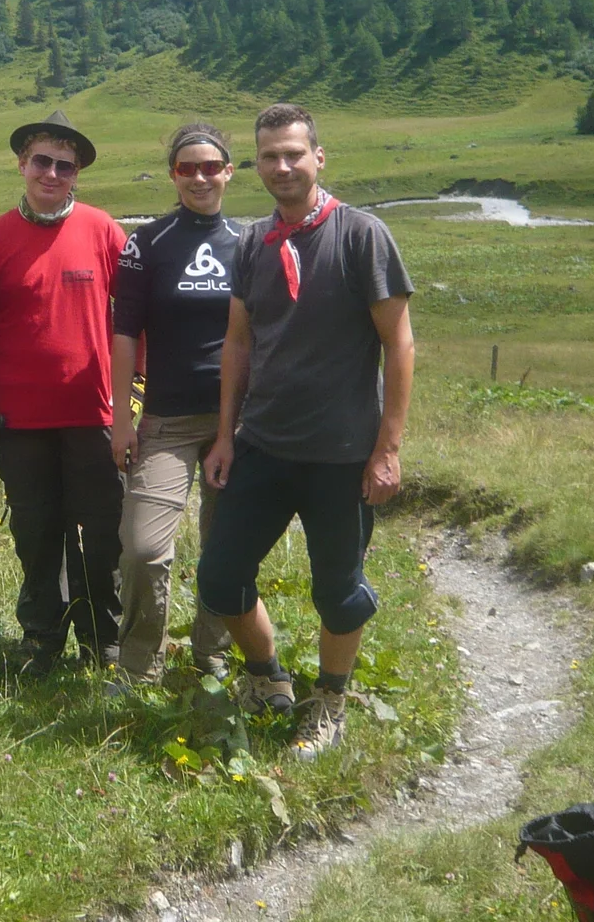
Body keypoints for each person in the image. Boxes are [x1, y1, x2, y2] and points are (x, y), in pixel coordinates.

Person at [197, 102, 415, 757]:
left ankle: (331, 701)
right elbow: (238, 343)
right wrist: (225, 435)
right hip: (263, 444)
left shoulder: (361, 236)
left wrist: (388, 451)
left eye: (294, 153)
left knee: (338, 592)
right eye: (270, 155)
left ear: (319, 157)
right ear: (256, 165)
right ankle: (268, 679)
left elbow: (399, 345)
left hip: (342, 455)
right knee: (220, 577)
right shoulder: (251, 244)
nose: (282, 165)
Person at [0, 109, 126, 678]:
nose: (52, 173)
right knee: (36, 532)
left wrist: (136, 395)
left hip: (93, 413)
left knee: (103, 531)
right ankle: (43, 636)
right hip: (18, 420)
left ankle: (104, 637)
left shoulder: (105, 231)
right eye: (42, 161)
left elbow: (131, 321)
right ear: (22, 164)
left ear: (77, 172)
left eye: (65, 164)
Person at [108, 122, 241, 690]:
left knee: (226, 543)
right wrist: (120, 419)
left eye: (211, 166)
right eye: (187, 168)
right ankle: (141, 661)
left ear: (229, 172)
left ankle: (212, 655)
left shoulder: (250, 241)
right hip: (164, 418)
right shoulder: (148, 242)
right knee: (142, 548)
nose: (200, 177)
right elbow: (122, 335)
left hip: (235, 421)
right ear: (173, 175)